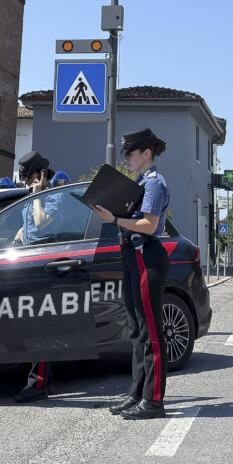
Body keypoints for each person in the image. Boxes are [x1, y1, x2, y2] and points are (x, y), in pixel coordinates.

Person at [92, 127, 170, 420]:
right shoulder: (140, 182)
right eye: (124, 153)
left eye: (130, 153)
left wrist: (114, 219)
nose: (126, 157)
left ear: (146, 153)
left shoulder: (154, 184)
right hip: (133, 255)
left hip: (146, 255)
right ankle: (137, 393)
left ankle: (154, 400)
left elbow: (149, 225)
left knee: (151, 332)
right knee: (137, 330)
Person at [12, 151, 63, 403]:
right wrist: (19, 234)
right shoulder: (33, 197)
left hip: (46, 267)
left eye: (30, 178)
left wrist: (37, 194)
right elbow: (29, 226)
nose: (27, 183)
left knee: (40, 327)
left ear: (41, 175)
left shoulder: (52, 197)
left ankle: (39, 384)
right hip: (29, 264)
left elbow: (42, 223)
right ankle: (42, 379)